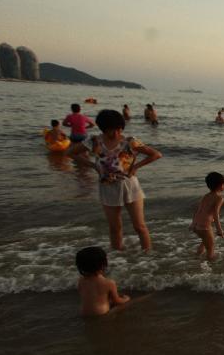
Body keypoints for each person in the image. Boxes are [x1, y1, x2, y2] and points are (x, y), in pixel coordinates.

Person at [69, 110, 162, 251]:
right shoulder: (94, 141)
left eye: (120, 129)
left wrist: (135, 167)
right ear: (103, 129)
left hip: (130, 185)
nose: (117, 133)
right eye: (113, 130)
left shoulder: (129, 141)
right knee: (114, 227)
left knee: (139, 226)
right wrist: (93, 166)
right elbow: (70, 153)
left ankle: (148, 257)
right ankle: (118, 257)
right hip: (107, 186)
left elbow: (156, 154)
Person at [76, 246, 129, 316]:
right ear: (103, 265)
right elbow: (117, 301)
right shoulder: (109, 282)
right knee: (126, 305)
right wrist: (126, 299)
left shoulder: (81, 280)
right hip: (101, 313)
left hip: (84, 313)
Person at [191, 172, 224, 261]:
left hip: (196, 226)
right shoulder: (219, 198)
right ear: (220, 185)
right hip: (205, 227)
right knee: (211, 250)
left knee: (205, 241)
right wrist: (219, 230)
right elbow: (215, 214)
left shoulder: (206, 196)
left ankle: (196, 258)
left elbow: (198, 210)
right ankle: (209, 268)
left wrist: (193, 223)